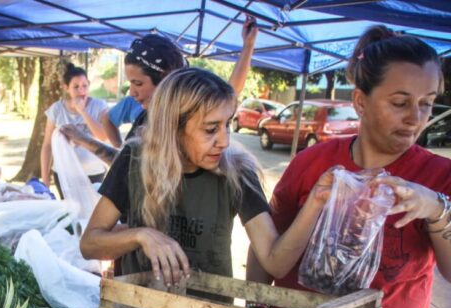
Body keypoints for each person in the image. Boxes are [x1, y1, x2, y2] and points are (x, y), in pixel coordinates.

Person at [257, 26, 451, 308]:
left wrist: (434, 208)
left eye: (428, 103)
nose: (416, 118)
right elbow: (265, 245)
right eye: (400, 103)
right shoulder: (311, 162)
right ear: (360, 101)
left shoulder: (438, 177)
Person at [80, 67, 333, 287]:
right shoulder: (135, 160)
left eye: (227, 124)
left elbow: (274, 262)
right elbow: (89, 244)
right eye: (211, 129)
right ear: (174, 128)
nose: (224, 141)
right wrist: (141, 235)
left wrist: (315, 203)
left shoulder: (237, 171)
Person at [62, 18, 258, 165]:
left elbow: (230, 94)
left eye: (138, 83)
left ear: (165, 81)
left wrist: (248, 47)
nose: (131, 92)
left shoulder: (183, 122)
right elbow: (125, 165)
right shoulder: (145, 118)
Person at [40, 63, 110, 194]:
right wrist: (45, 179)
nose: (81, 91)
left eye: (84, 86)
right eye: (76, 87)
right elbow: (47, 145)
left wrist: (83, 112)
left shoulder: (99, 106)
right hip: (64, 174)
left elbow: (104, 136)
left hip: (94, 172)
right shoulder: (57, 109)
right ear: (66, 88)